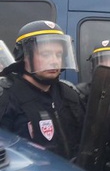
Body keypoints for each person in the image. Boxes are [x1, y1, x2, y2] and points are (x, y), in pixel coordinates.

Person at [0, 20, 84, 160]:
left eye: (58, 54)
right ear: (25, 56)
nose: (54, 61)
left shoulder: (69, 94)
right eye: (46, 54)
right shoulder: (7, 98)